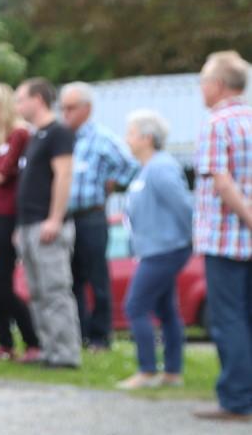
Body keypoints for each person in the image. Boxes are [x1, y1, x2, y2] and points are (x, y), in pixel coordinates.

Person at [192, 50, 252, 421]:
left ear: (217, 84)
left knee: (228, 319)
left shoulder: (217, 124)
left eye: (203, 81)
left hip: (226, 239)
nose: (201, 89)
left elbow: (222, 182)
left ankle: (236, 399)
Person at [60, 82, 140, 351]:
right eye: (62, 108)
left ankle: (100, 336)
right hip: (67, 218)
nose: (65, 113)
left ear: (87, 109)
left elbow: (132, 166)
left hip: (91, 217)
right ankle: (79, 333)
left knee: (97, 278)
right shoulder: (64, 138)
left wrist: (114, 182)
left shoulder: (102, 138)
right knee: (72, 279)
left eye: (71, 108)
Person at [117, 111, 192, 390]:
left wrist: (188, 238)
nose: (127, 139)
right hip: (154, 250)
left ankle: (147, 371)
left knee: (135, 306)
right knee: (166, 309)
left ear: (147, 138)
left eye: (131, 133)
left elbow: (183, 206)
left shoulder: (161, 168)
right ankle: (172, 373)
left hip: (165, 250)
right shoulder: (147, 168)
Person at [13, 78, 82, 368]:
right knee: (37, 292)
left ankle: (66, 353)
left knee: (55, 291)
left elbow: (64, 175)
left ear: (38, 99)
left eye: (21, 99)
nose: (17, 106)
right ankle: (49, 348)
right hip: (29, 225)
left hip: (47, 224)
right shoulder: (35, 136)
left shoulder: (58, 133)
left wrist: (54, 218)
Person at [0, 82, 42, 363]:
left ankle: (32, 340)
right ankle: (4, 342)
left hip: (7, 214)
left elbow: (4, 170)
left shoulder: (20, 134)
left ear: (0, 106)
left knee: (3, 282)